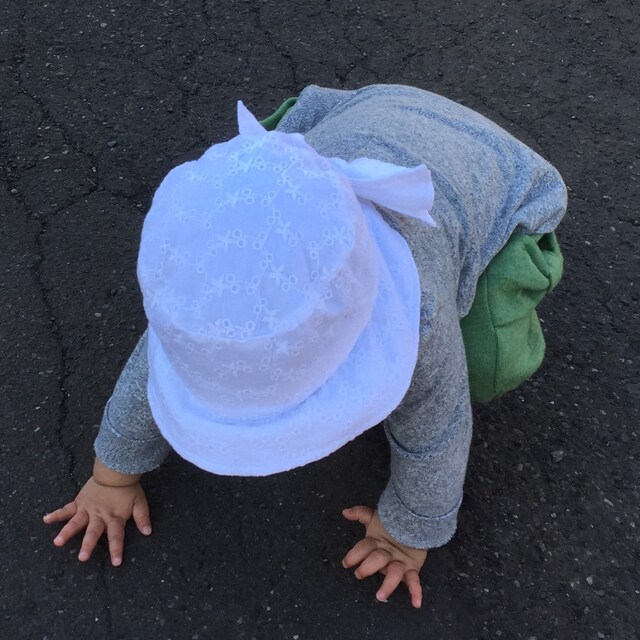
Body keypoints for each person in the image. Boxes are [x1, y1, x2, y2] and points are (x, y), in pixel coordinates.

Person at [43, 84, 567, 608]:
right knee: (267, 155)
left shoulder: (419, 309)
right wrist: (111, 478)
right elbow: (154, 365)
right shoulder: (203, 291)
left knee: (482, 360)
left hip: (500, 178)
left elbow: (439, 426)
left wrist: (405, 534)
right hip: (364, 110)